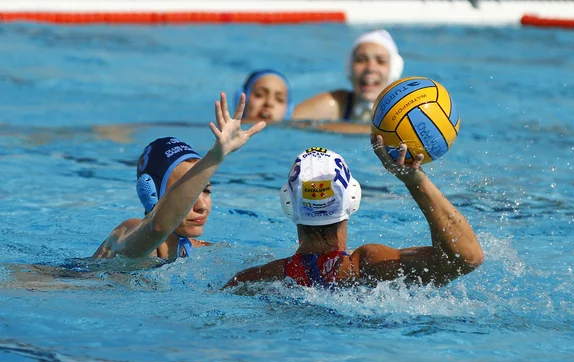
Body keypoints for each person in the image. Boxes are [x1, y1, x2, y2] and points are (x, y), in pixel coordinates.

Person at [224, 136, 484, 288]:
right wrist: (416, 182)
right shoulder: (369, 268)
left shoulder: (256, 279)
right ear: (353, 198)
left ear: (287, 202)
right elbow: (466, 259)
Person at [93, 92, 266, 261]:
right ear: (151, 194)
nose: (202, 206)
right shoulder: (127, 232)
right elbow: (158, 227)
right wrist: (215, 156)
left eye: (205, 190)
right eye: (189, 193)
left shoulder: (196, 251)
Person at [292, 29, 404, 125]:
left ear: (393, 71)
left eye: (381, 61)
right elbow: (283, 120)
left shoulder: (404, 111)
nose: (370, 68)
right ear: (349, 67)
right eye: (361, 60)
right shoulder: (337, 104)